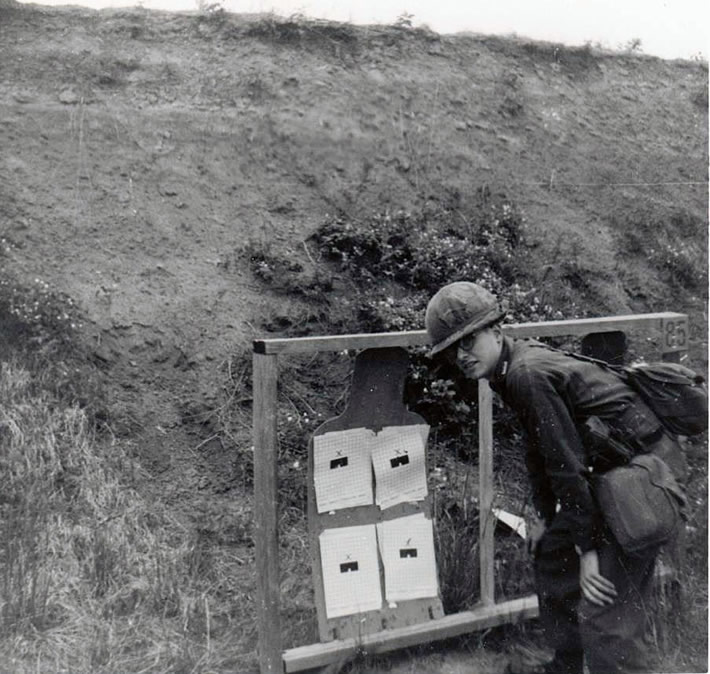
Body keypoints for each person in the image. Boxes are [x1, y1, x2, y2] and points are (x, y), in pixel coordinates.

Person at [424, 281, 687, 674]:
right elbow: (542, 453)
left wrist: (590, 553)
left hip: (644, 479)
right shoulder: (511, 368)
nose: (461, 356)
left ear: (496, 330)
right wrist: (548, 519)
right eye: (451, 350)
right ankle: (568, 666)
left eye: (469, 341)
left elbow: (568, 467)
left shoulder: (527, 373)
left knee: (605, 615)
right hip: (612, 473)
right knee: (552, 557)